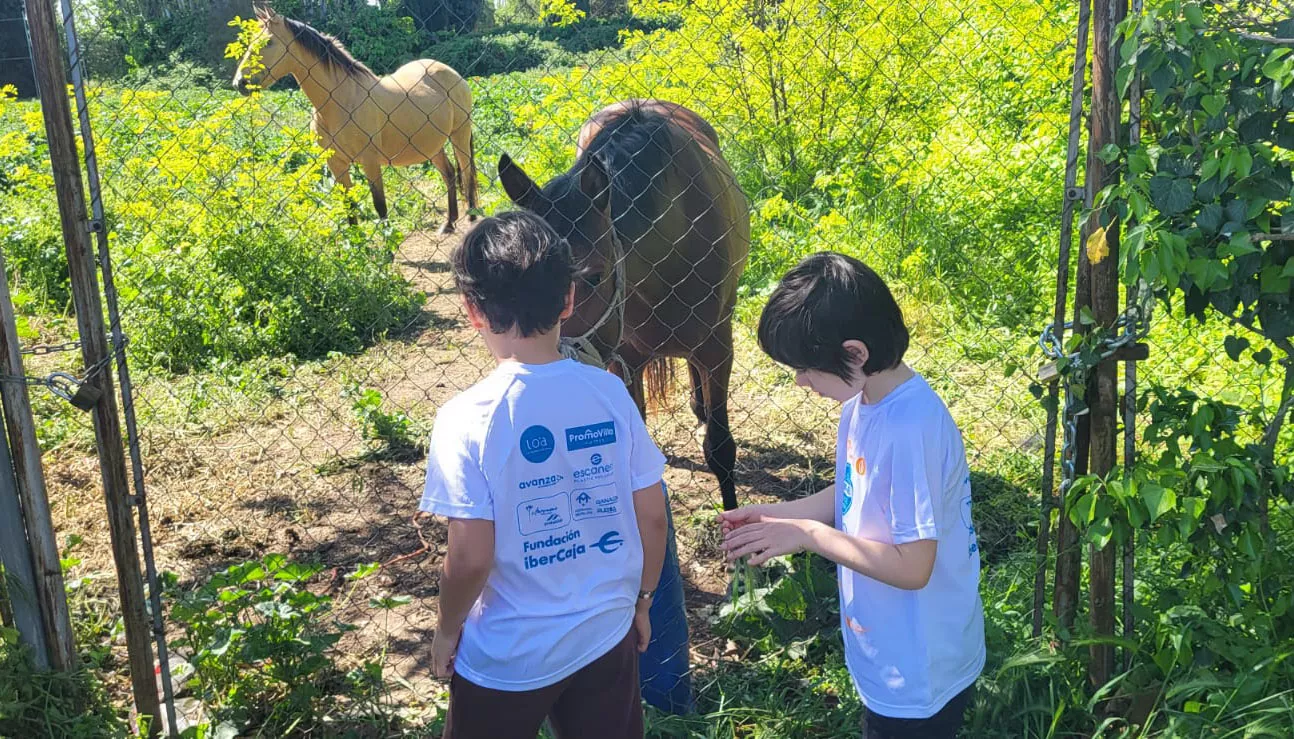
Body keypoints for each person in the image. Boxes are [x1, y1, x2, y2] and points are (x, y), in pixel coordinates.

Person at [421, 211, 669, 739]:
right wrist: (643, 602)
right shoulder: (610, 393)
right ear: (569, 300)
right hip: (606, 633)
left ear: (472, 311)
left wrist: (446, 631)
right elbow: (652, 517)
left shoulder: (466, 418)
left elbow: (470, 557)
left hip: (509, 655)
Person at [719, 252, 984, 738]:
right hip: (890, 648)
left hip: (921, 667)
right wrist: (773, 517)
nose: (800, 381)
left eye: (806, 368)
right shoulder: (865, 403)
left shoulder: (910, 428)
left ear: (855, 353)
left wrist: (808, 536)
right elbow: (848, 492)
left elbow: (912, 566)